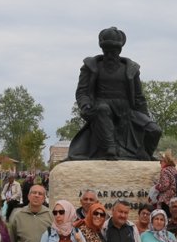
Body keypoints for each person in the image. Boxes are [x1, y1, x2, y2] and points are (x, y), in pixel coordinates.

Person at [67, 26, 162, 160]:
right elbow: (82, 91)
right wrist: (85, 105)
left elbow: (139, 98)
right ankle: (110, 148)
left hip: (126, 110)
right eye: (107, 50)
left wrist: (144, 119)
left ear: (120, 50)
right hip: (102, 106)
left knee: (155, 131)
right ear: (102, 49)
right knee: (102, 108)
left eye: (114, 51)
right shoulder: (91, 67)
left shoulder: (131, 69)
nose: (110, 54)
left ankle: (143, 154)